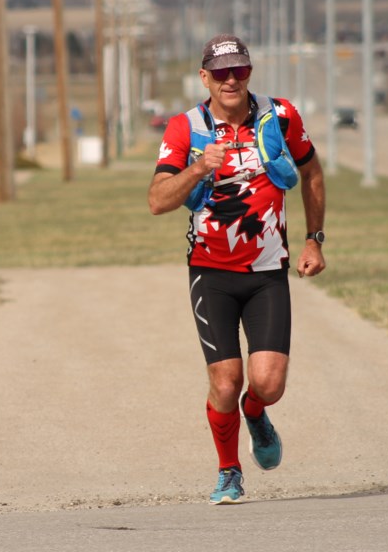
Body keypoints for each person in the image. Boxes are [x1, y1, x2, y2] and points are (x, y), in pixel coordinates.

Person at [147, 34, 326, 504]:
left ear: (249, 73)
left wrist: (314, 239)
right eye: (221, 72)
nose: (231, 80)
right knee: (225, 381)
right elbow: (157, 201)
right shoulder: (186, 128)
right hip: (211, 274)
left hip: (268, 272)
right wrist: (197, 168)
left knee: (267, 384)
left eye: (239, 70)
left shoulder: (279, 116)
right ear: (204, 77)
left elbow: (312, 172)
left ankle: (256, 412)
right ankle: (229, 470)